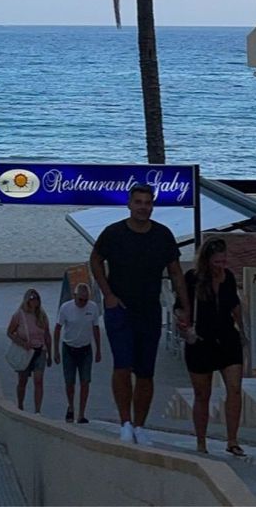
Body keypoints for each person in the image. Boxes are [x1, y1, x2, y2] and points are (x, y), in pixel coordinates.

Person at [90, 183, 189, 446]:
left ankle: (140, 425)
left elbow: (176, 272)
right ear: (129, 204)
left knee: (146, 372)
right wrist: (107, 295)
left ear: (152, 205)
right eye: (138, 202)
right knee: (122, 366)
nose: (143, 207)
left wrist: (184, 306)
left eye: (147, 202)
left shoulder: (163, 235)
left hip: (149, 310)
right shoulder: (113, 233)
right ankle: (124, 422)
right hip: (120, 311)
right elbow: (95, 260)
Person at [177, 237, 248, 457]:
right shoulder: (193, 279)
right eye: (217, 262)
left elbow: (235, 306)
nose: (220, 266)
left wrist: (243, 334)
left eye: (223, 261)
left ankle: (232, 440)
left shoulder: (228, 279)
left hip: (227, 338)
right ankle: (201, 441)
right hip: (201, 340)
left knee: (235, 389)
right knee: (202, 394)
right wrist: (184, 327)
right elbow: (181, 306)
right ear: (207, 260)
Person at [54, 282, 101, 423]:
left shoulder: (93, 308)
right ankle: (71, 407)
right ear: (74, 296)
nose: (83, 302)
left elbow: (96, 329)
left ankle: (81, 413)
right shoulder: (66, 308)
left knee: (85, 381)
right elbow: (57, 329)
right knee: (70, 382)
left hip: (86, 349)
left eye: (85, 300)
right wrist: (55, 351)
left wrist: (98, 349)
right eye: (80, 299)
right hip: (69, 348)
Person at [6, 288, 53, 413]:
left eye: (36, 298)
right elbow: (10, 332)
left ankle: (38, 410)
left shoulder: (42, 315)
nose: (34, 301)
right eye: (32, 299)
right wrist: (22, 343)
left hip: (40, 350)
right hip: (26, 351)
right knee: (23, 380)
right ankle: (20, 404)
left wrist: (50, 353)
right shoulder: (19, 315)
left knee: (38, 380)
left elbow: (47, 334)